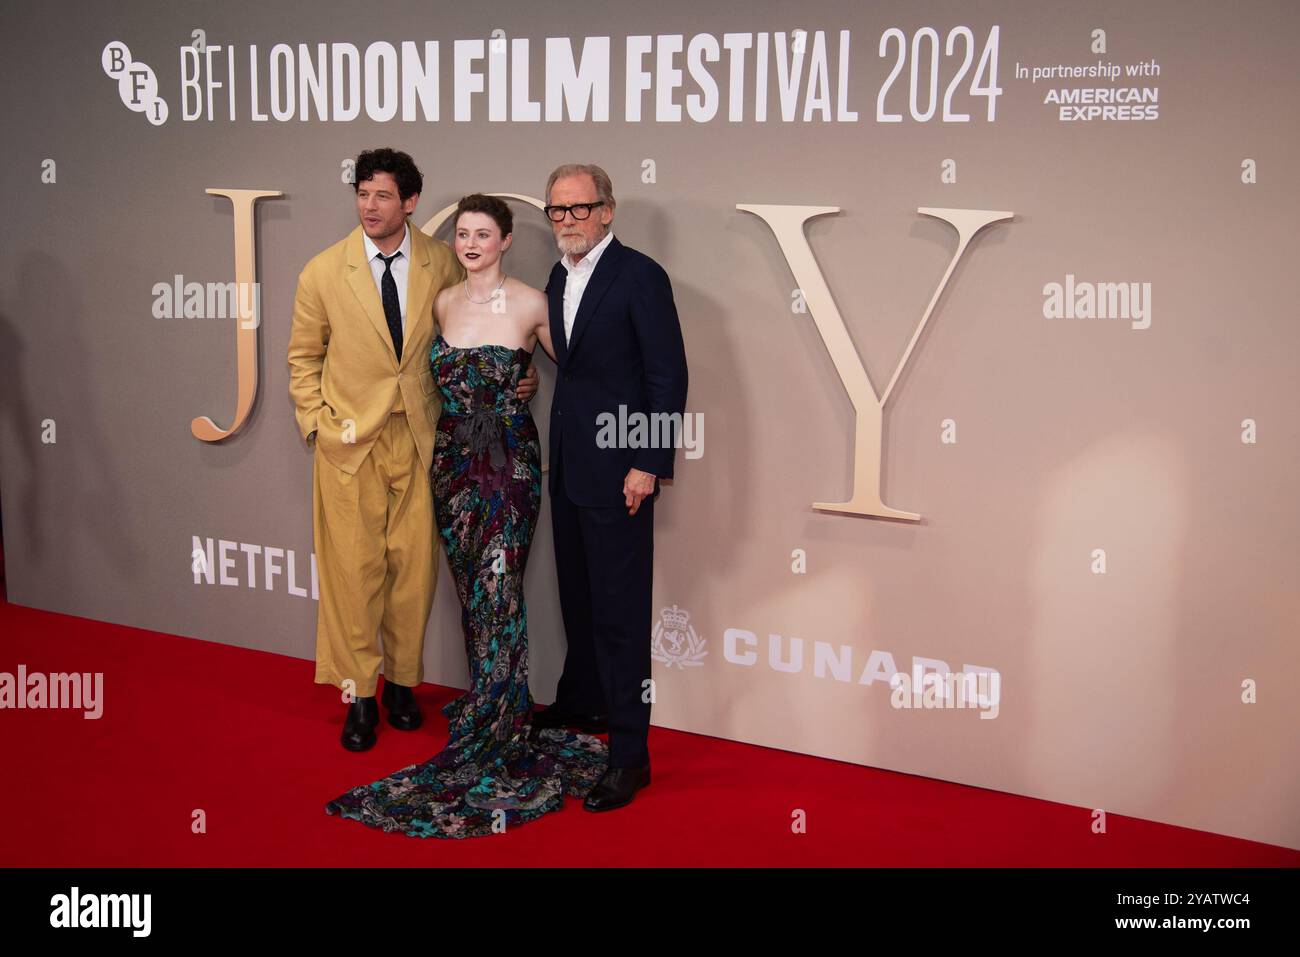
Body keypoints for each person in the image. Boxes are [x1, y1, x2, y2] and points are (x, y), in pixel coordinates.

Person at [324, 194, 608, 838]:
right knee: (469, 595)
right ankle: (489, 700)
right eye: (463, 234)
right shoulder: (442, 302)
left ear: (507, 240)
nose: (471, 243)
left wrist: (536, 384)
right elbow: (406, 377)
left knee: (499, 591)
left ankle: (501, 721)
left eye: (484, 234)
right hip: (450, 468)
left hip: (508, 466)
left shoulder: (535, 301)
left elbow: (586, 370)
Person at [288, 150, 537, 753]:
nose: (369, 207)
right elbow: (303, 359)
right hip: (350, 445)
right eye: (362, 194)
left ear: (410, 202)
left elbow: (474, 333)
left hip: (429, 440)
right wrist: (320, 426)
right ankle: (359, 694)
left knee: (412, 573)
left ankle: (401, 683)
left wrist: (517, 378)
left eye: (381, 196)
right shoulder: (323, 271)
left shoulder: (442, 263)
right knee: (353, 576)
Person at [530, 164, 689, 811]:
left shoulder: (641, 276)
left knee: (621, 619)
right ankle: (584, 701)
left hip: (621, 474)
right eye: (556, 211)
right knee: (579, 599)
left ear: (607, 211)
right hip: (569, 470)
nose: (566, 220)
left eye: (578, 208)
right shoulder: (557, 275)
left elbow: (667, 375)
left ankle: (630, 756)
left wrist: (647, 462)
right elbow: (575, 368)